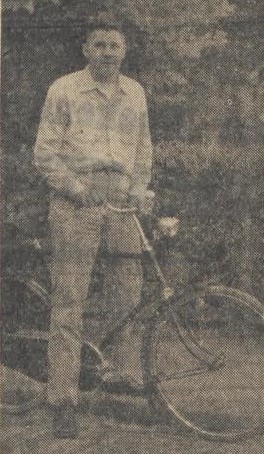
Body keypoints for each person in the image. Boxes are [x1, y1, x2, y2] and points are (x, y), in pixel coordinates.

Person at [34, 13, 154, 438]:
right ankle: (62, 400)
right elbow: (45, 152)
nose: (107, 52)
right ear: (86, 49)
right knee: (69, 303)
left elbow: (142, 150)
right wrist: (75, 188)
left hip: (121, 202)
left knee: (130, 293)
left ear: (125, 50)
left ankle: (121, 375)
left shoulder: (135, 93)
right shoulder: (64, 89)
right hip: (76, 203)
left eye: (114, 45)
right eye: (98, 44)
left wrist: (139, 190)